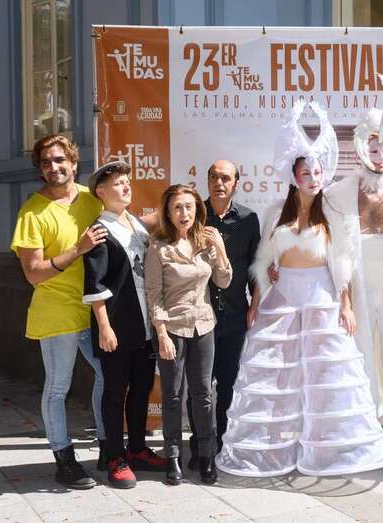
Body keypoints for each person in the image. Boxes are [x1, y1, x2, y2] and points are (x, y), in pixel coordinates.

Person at [216, 101, 383, 477]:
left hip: (321, 297)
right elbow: (264, 262)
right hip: (281, 301)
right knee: (280, 375)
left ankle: (326, 449)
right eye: (305, 171)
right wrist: (257, 300)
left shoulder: (333, 212)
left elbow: (342, 263)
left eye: (317, 170)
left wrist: (345, 305)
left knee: (323, 375)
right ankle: (280, 447)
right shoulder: (274, 212)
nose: (312, 176)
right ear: (293, 175)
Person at [323, 74, 383, 466]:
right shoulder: (338, 193)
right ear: (361, 144)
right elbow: (333, 249)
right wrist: (343, 296)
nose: (380, 153)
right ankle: (364, 430)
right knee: (360, 352)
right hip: (361, 278)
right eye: (373, 144)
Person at [11, 134, 107, 489]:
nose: (53, 167)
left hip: (93, 309)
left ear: (73, 163)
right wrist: (77, 249)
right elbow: (34, 273)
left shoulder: (90, 199)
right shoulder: (31, 212)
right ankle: (63, 459)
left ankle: (106, 446)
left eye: (59, 160)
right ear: (40, 169)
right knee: (58, 388)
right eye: (46, 162)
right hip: (56, 313)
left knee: (108, 376)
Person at [82, 161, 167, 489]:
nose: (125, 187)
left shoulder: (135, 224)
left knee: (142, 388)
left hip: (143, 327)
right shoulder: (99, 231)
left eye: (127, 182)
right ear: (101, 193)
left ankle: (138, 449)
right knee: (115, 392)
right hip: (116, 328)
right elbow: (94, 284)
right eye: (117, 184)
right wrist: (104, 327)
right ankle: (115, 457)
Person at [144, 184, 233, 485]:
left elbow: (223, 281)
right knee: (172, 396)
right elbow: (153, 294)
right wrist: (161, 334)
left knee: (203, 395)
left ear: (197, 209)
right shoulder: (158, 246)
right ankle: (173, 459)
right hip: (172, 329)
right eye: (177, 208)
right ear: (168, 213)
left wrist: (219, 248)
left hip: (204, 325)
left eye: (189, 207)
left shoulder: (204, 241)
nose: (184, 213)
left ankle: (207, 457)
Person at [185, 160, 260, 471]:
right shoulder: (192, 216)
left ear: (236, 183)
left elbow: (256, 268)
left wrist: (254, 306)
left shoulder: (248, 219)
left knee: (227, 382)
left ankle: (222, 439)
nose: (219, 182)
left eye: (225, 178)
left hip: (234, 315)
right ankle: (200, 444)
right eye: (213, 176)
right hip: (199, 315)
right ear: (207, 180)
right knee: (199, 385)